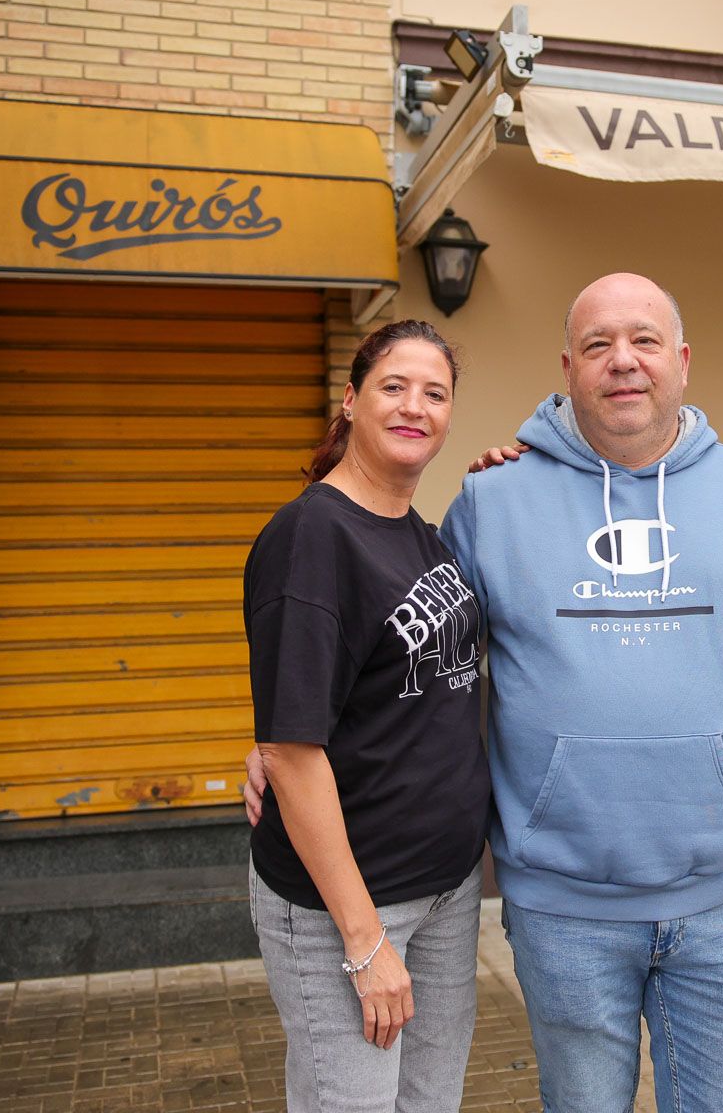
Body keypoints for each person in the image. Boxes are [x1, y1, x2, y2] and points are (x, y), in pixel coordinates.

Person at [249, 274, 723, 1113]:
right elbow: (398, 650)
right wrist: (280, 743)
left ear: (682, 362)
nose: (624, 362)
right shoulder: (492, 504)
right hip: (562, 912)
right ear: (567, 368)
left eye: (644, 340)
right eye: (599, 345)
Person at [243, 319, 490, 1113]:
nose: (414, 406)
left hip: (447, 890)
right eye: (393, 386)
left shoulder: (420, 534)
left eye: (435, 392)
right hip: (346, 908)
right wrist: (363, 941)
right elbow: (292, 747)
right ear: (350, 402)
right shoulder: (313, 536)